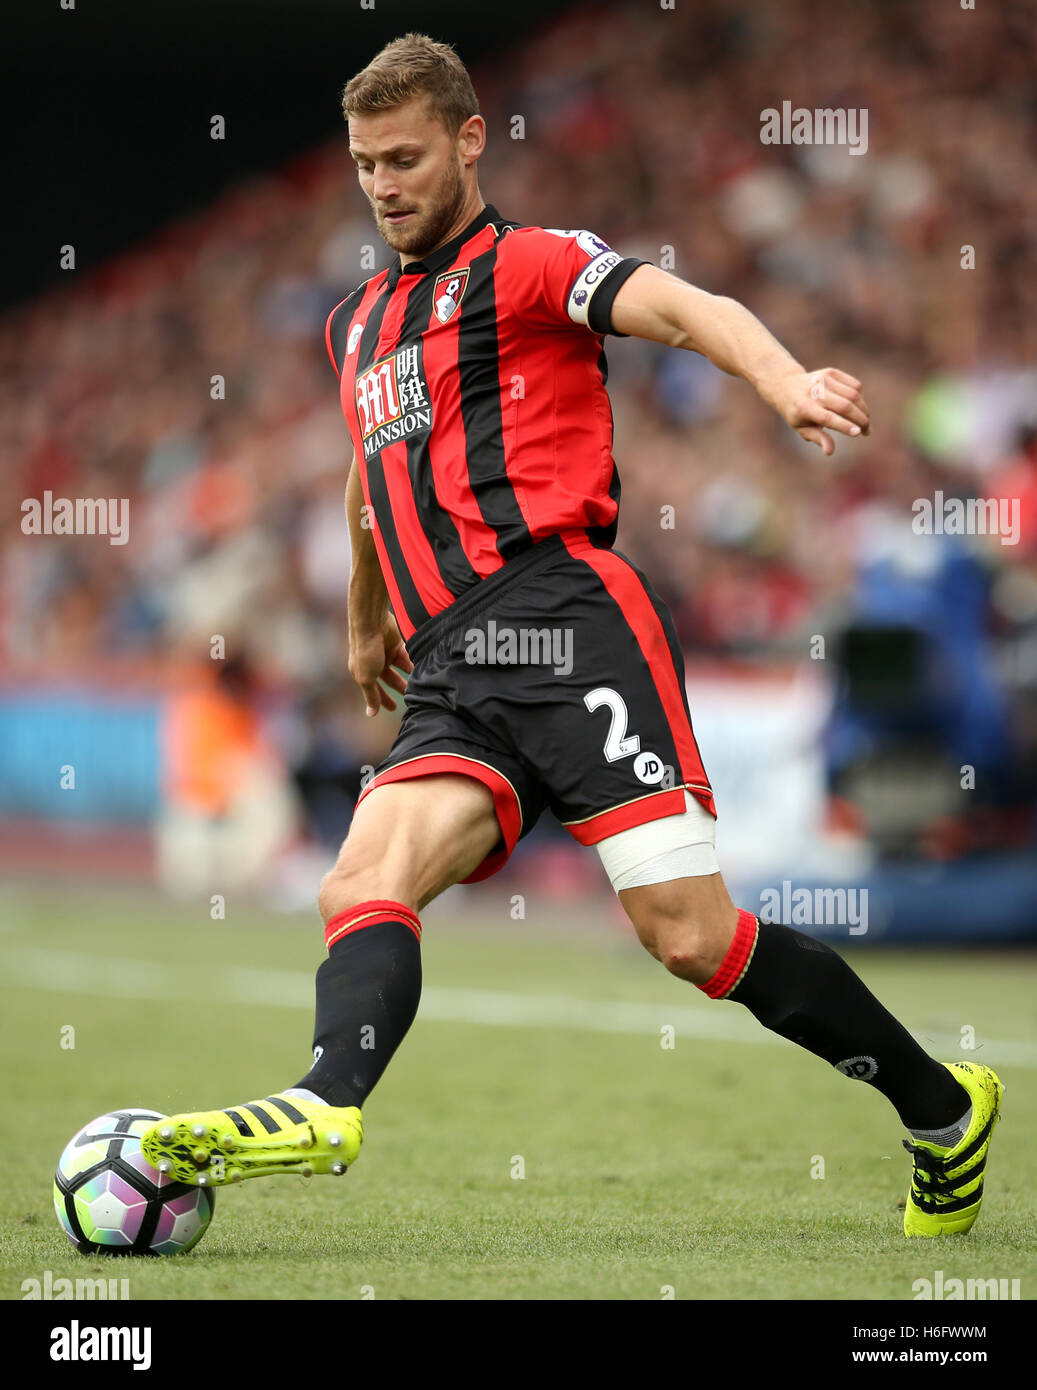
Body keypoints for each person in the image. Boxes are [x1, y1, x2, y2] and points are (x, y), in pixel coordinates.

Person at [143, 33, 1002, 1237]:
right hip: (447, 663)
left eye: (402, 158)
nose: (382, 185)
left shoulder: (533, 266)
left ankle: (938, 1107)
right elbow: (367, 469)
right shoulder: (354, 325)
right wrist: (362, 615)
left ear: (468, 138)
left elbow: (684, 307)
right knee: (361, 876)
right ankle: (323, 1101)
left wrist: (781, 378)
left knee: (690, 938)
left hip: (563, 623)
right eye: (362, 165)